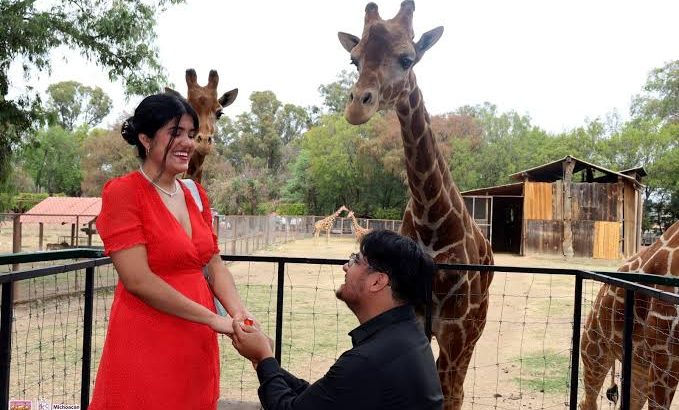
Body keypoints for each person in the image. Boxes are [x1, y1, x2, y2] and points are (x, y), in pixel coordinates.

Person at [90, 93, 251, 410]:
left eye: (191, 134)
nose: (188, 143)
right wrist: (211, 319)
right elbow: (138, 280)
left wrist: (236, 312)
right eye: (175, 132)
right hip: (148, 338)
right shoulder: (124, 192)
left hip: (197, 341)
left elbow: (214, 264)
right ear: (146, 139)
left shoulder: (194, 193)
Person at [231, 229, 443, 410]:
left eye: (355, 260)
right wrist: (263, 360)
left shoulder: (368, 360)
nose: (345, 266)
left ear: (377, 281)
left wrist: (264, 356)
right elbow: (323, 397)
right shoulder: (406, 335)